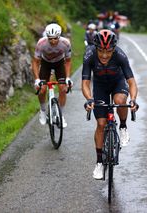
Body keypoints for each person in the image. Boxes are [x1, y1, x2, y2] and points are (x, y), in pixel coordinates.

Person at [81, 29, 139, 179]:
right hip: (100, 87)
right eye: (101, 51)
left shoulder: (120, 55)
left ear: (114, 49)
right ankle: (99, 162)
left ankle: (123, 126)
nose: (105, 55)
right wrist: (89, 99)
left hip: (117, 83)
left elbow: (131, 82)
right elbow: (85, 83)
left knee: (120, 102)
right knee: (101, 124)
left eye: (109, 51)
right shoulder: (89, 55)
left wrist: (133, 99)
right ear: (96, 48)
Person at [32, 23, 73, 127]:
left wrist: (68, 77)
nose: (53, 41)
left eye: (55, 38)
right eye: (50, 39)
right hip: (45, 63)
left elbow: (68, 61)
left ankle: (61, 115)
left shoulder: (66, 43)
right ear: (47, 36)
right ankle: (42, 110)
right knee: (42, 89)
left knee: (63, 88)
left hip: (59, 63)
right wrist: (37, 79)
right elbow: (35, 62)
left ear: (59, 36)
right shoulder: (41, 43)